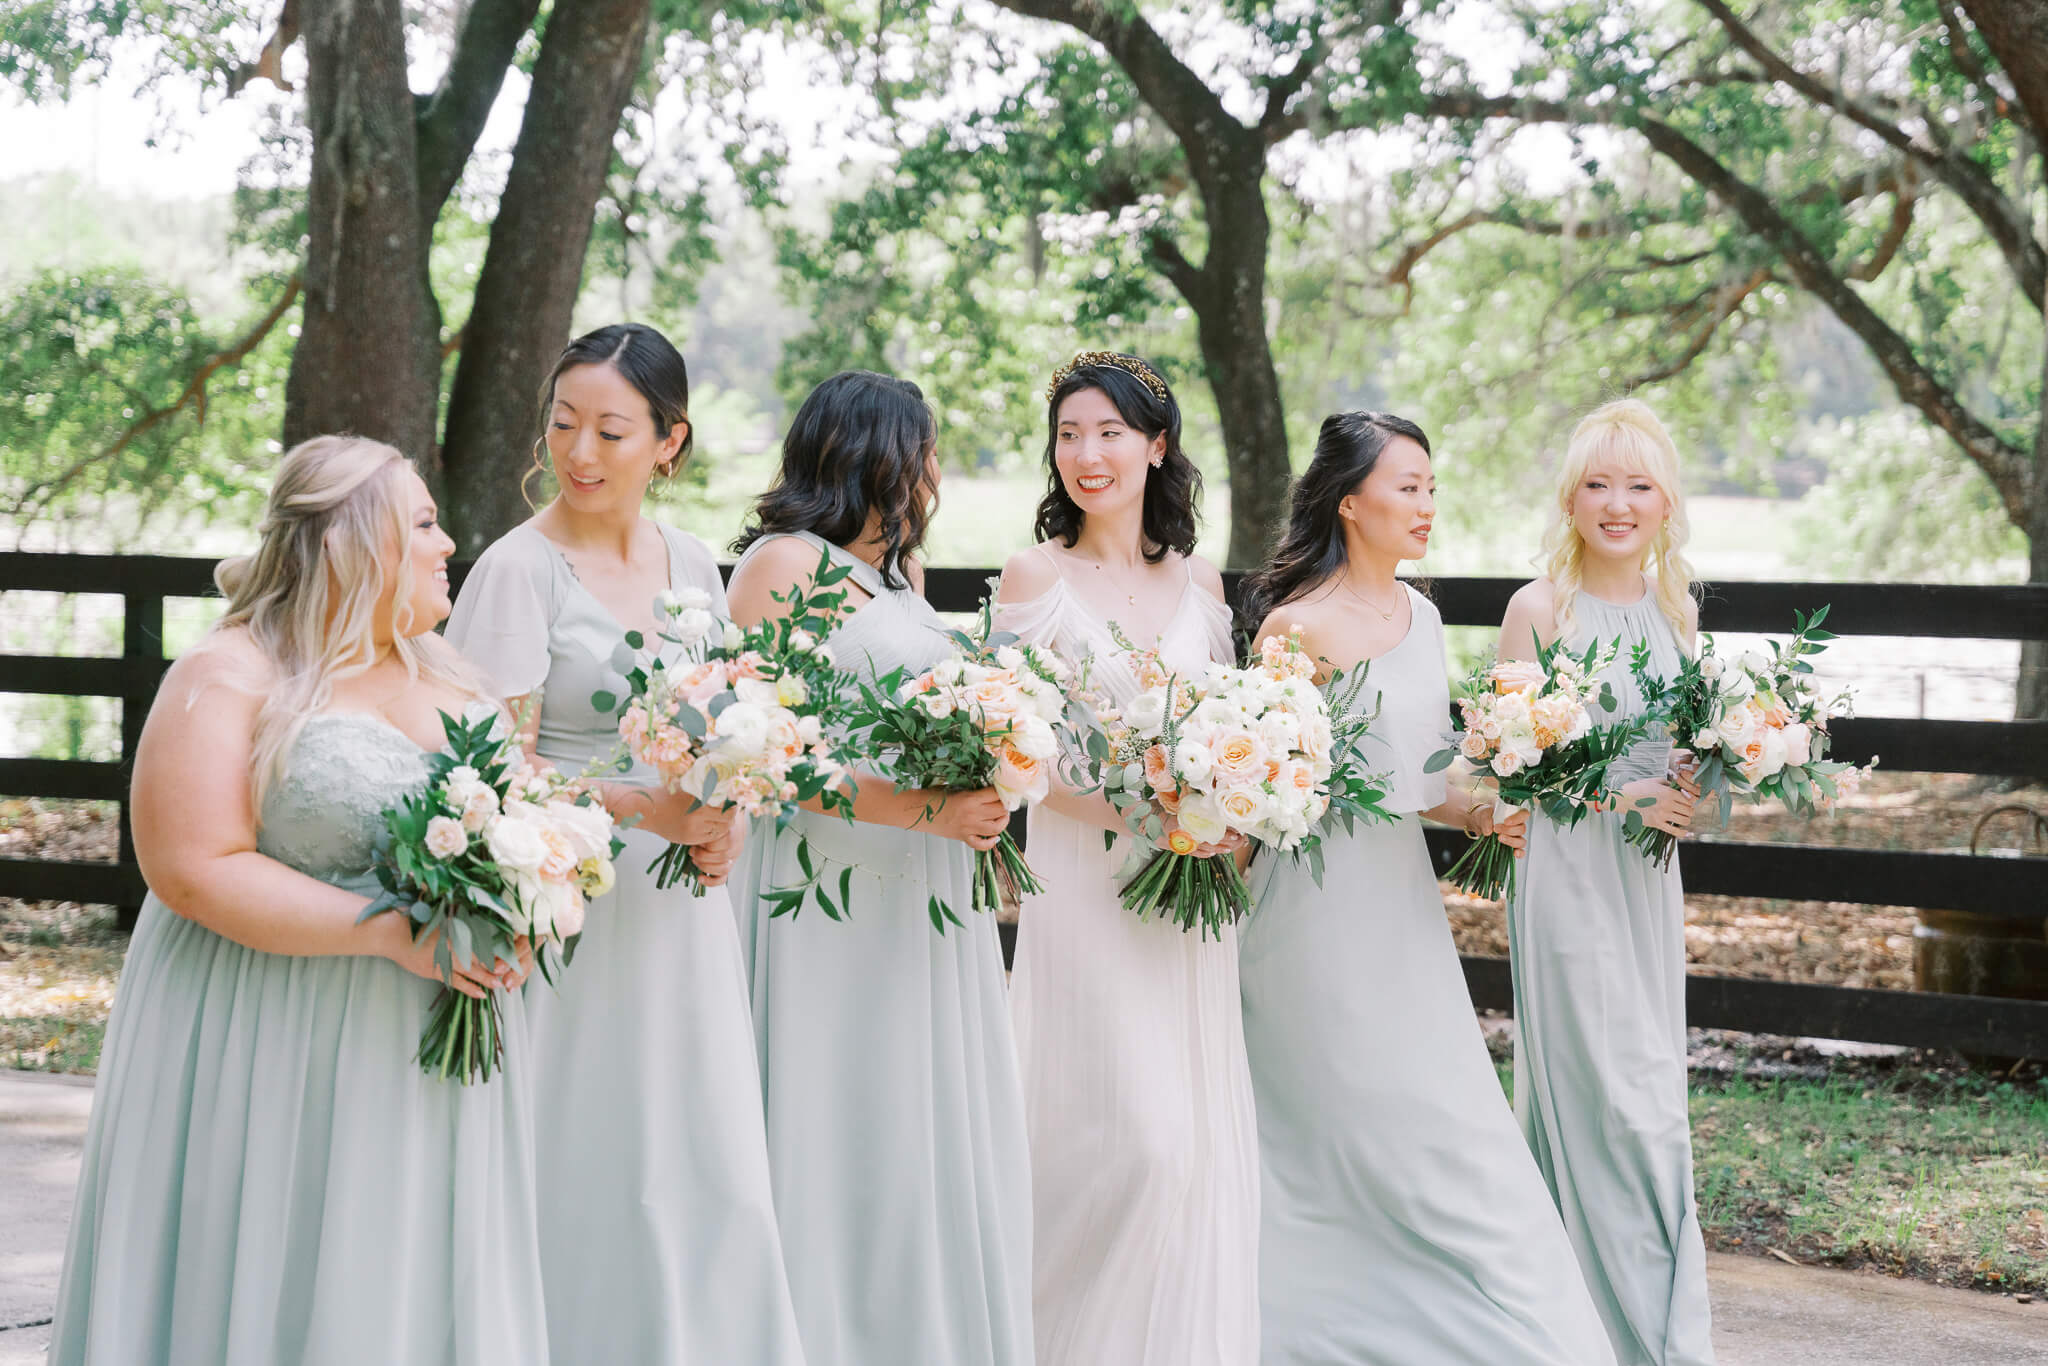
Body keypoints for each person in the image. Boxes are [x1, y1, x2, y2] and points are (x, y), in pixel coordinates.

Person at [50, 435, 550, 1365]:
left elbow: (523, 827)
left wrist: (529, 903)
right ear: (351, 547)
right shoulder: (229, 673)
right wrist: (396, 932)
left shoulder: (448, 674)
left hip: (424, 1051)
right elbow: (192, 865)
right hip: (266, 1032)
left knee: (403, 1276)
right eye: (427, 524)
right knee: (274, 1263)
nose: (450, 546)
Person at [444, 322, 806, 1364]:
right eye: (563, 424)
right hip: (567, 901)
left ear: (669, 441)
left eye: (610, 429)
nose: (580, 452)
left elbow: (732, 723)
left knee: (696, 1152)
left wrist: (724, 811)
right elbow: (491, 772)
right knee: (582, 1148)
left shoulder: (693, 562)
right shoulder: (518, 573)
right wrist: (646, 808)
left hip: (681, 908)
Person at [1234, 411, 1616, 1366]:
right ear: (1350, 500)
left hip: (1403, 911)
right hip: (1308, 920)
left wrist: (1485, 809)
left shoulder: (1429, 618)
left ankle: (1520, 1332)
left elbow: (1423, 778)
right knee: (1332, 1128)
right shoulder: (1296, 627)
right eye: (1407, 486)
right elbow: (1262, 791)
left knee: (1450, 1124)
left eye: (1432, 487)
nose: (1426, 505)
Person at [725, 369, 1032, 1366]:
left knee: (911, 1121)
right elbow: (762, 752)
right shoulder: (782, 564)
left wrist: (986, 774)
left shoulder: (901, 581)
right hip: (826, 889)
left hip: (921, 886)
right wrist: (922, 806)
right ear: (874, 454)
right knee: (836, 1104)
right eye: (925, 449)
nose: (934, 471)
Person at [994, 350, 1258, 1366]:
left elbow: (1236, 726)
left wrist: (1229, 808)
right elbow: (1016, 752)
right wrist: (1136, 801)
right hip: (1088, 891)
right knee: (1125, 1142)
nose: (1086, 454)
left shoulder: (1197, 582)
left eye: (1108, 432)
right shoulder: (1034, 577)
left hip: (1191, 900)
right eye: (1068, 433)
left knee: (1188, 1149)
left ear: (1156, 446)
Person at [1497, 398, 1713, 1365]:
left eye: (1638, 485)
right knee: (1604, 1094)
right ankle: (1587, 1321)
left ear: (1666, 502)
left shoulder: (1680, 610)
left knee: (1654, 1088)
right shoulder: (1541, 607)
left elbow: (1682, 751)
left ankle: (1662, 1318)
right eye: (1598, 483)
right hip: (1568, 878)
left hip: (1645, 887)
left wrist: (1698, 781)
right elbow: (1513, 771)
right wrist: (1627, 800)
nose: (1617, 504)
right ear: (1571, 498)